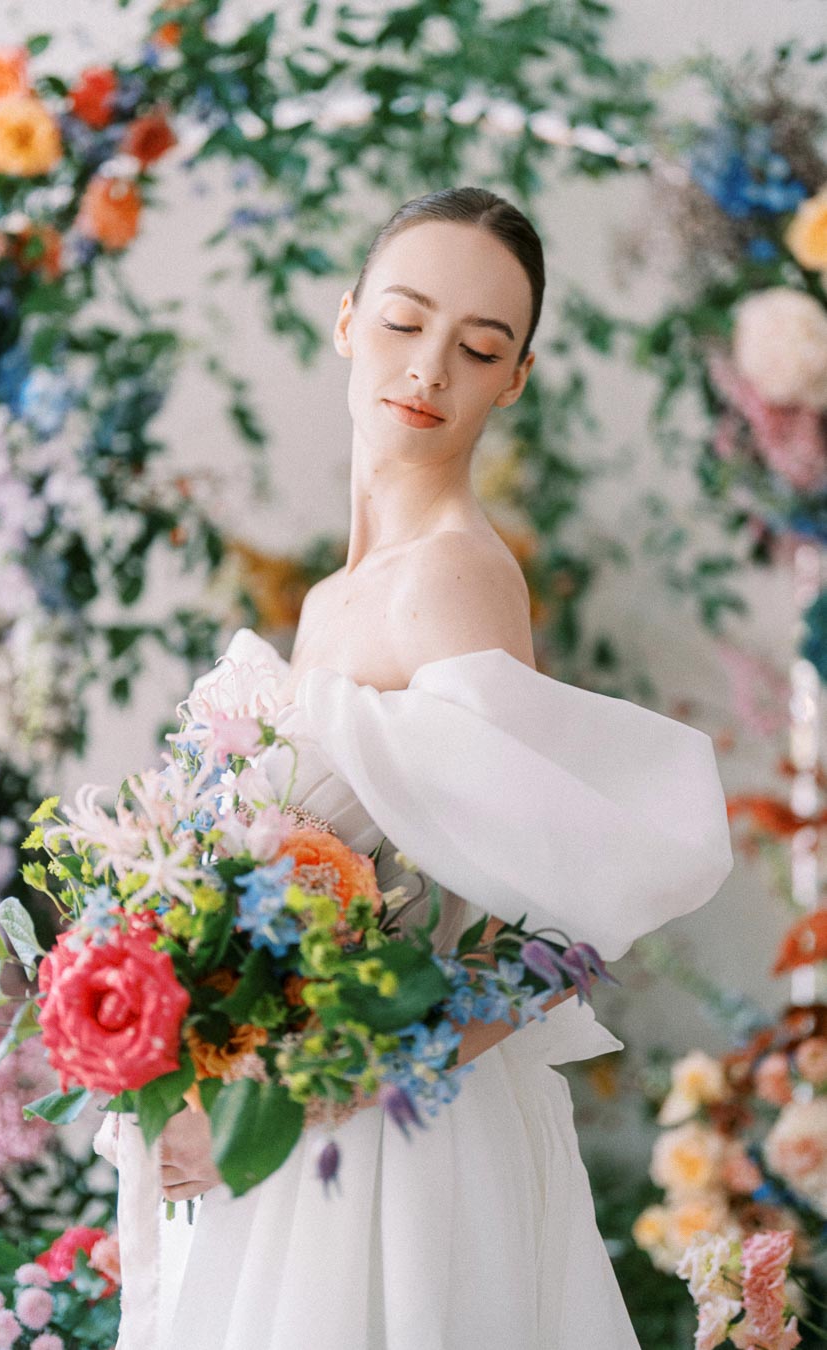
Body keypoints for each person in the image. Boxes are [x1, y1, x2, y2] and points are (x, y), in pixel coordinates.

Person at [103, 186, 734, 1350]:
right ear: (347, 321)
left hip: (387, 1159)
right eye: (405, 321)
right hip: (299, 1136)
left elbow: (554, 932)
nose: (430, 367)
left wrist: (312, 1085)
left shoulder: (452, 578)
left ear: (516, 379)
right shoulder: (343, 595)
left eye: (480, 346)